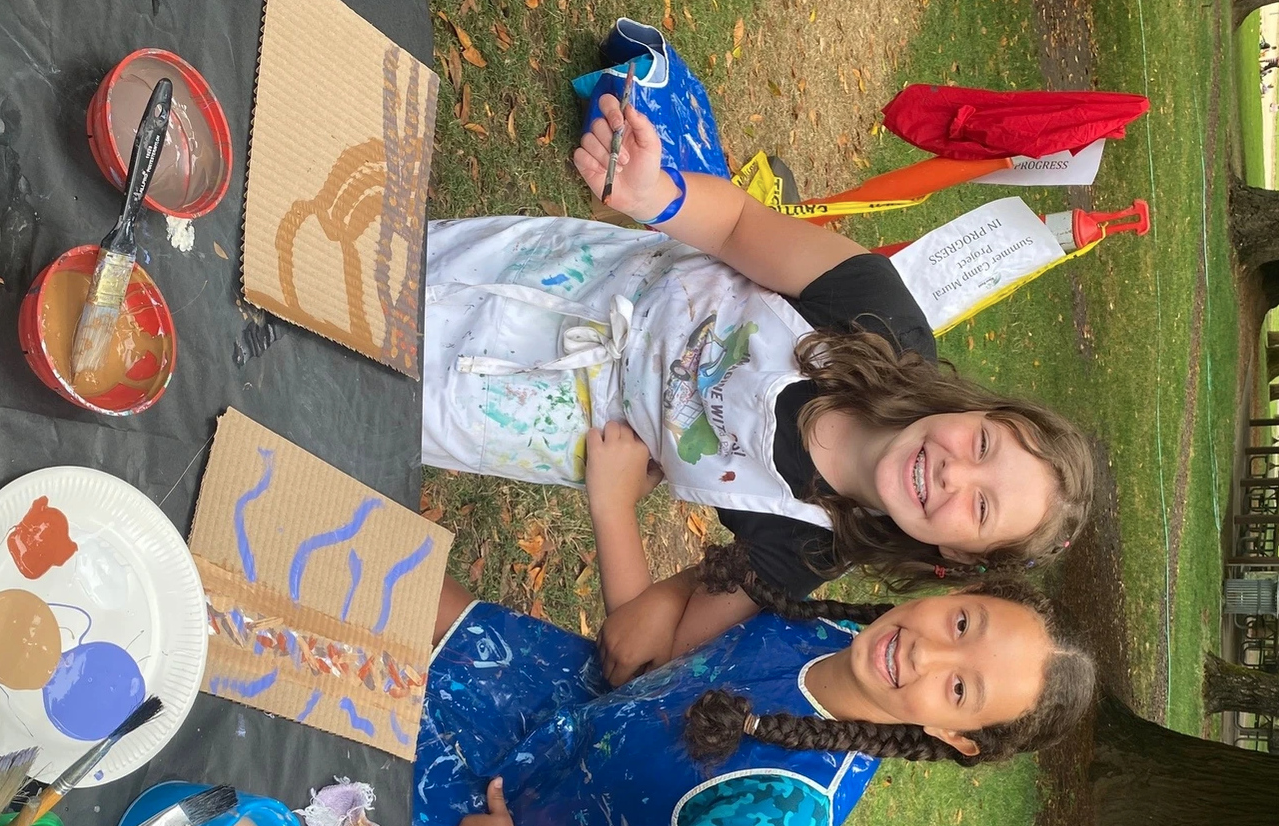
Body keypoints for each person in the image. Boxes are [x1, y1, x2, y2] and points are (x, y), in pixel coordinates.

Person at [421, 92, 1095, 680]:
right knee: (374, 260)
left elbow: (644, 656)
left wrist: (613, 506)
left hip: (527, 414)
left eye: (980, 509)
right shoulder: (877, 315)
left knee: (363, 385)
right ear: (977, 409)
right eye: (982, 445)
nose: (955, 475)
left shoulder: (806, 546)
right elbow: (739, 223)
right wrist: (659, 195)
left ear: (954, 554)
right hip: (564, 277)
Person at [408, 543, 1096, 826]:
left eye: (958, 690)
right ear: (963, 588)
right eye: (964, 626)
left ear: (955, 736)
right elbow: (658, 645)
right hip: (552, 712)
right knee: (383, 568)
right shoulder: (834, 628)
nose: (925, 655)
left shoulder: (784, 810)